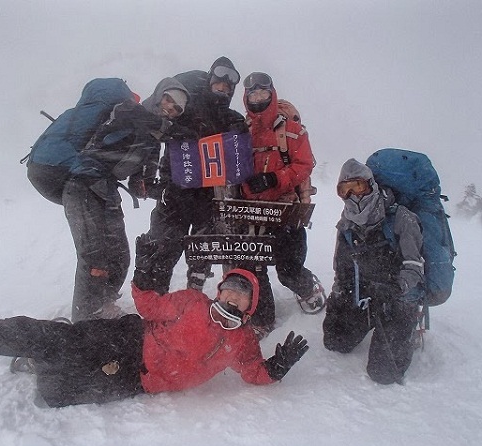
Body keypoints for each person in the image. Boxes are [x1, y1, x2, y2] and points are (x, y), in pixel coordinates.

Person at [0, 263, 309, 408]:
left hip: (140, 378)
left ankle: (40, 364)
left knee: (54, 395)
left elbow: (254, 373)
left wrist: (276, 367)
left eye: (240, 294)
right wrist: (145, 276)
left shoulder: (242, 342)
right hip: (129, 337)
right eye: (228, 288)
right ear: (219, 290)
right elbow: (150, 307)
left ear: (250, 304)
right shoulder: (193, 302)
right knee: (63, 340)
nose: (231, 296)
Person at [27, 77, 189, 322]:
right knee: (94, 256)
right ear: (158, 94)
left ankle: (102, 305)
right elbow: (132, 116)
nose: (170, 108)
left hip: (106, 190)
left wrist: (155, 188)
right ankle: (85, 323)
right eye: (168, 99)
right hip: (82, 185)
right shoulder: (127, 108)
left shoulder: (152, 142)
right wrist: (176, 131)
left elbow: (139, 181)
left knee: (119, 255)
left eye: (177, 108)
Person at [141, 57, 248, 295]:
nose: (222, 88)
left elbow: (238, 160)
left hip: (208, 196)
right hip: (175, 190)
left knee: (202, 251)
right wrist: (150, 181)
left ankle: (194, 297)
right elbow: (154, 132)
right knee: (164, 249)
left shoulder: (231, 118)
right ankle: (154, 303)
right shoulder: (185, 107)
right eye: (218, 82)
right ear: (210, 79)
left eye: (227, 86)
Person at [322, 158, 424, 384]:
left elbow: (415, 266)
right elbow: (342, 268)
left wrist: (398, 287)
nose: (353, 196)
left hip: (398, 297)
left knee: (383, 373)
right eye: (345, 190)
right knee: (335, 341)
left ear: (371, 185)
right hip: (367, 295)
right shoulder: (347, 224)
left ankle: (408, 325)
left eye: (357, 187)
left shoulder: (401, 218)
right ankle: (373, 322)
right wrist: (339, 298)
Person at [239, 72, 325, 332]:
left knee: (288, 267)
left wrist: (273, 180)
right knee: (253, 266)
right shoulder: (243, 129)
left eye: (262, 93)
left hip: (286, 207)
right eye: (252, 94)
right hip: (250, 209)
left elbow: (305, 164)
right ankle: (262, 318)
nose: (257, 98)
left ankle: (308, 287)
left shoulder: (291, 129)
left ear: (271, 93)